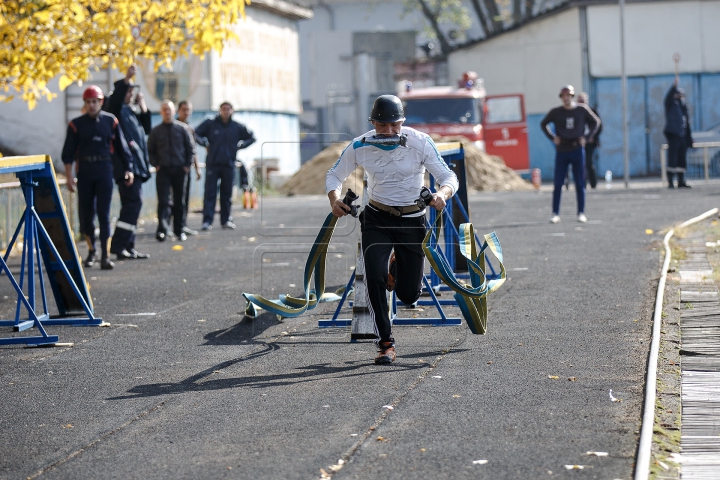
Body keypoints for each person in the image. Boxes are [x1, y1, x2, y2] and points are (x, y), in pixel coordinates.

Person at [326, 95, 459, 365]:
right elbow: (334, 174)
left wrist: (442, 194)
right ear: (373, 122)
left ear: (402, 122)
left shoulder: (420, 142)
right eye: (382, 126)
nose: (388, 131)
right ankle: (385, 343)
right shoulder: (360, 144)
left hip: (412, 220)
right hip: (377, 218)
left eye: (394, 126)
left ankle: (397, 263)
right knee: (374, 277)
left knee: (408, 295)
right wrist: (334, 199)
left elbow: (448, 177)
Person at [62, 85, 133, 270]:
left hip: (104, 170)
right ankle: (92, 250)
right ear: (84, 104)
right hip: (84, 172)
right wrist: (69, 177)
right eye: (88, 102)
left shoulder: (111, 121)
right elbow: (67, 154)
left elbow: (122, 148)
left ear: (101, 102)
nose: (92, 105)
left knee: (104, 214)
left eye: (95, 101)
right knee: (86, 215)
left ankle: (105, 255)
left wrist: (129, 169)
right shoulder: (76, 124)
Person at [106, 65, 152, 258]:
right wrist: (126, 79)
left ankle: (128, 245)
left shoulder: (130, 112)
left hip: (137, 167)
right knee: (133, 203)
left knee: (134, 205)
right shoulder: (115, 109)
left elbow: (146, 129)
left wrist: (143, 107)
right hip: (127, 168)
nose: (131, 94)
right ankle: (119, 245)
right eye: (129, 91)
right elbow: (115, 100)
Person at [540, 85, 600, 224]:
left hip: (577, 148)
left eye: (568, 95)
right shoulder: (556, 112)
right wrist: (552, 137)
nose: (566, 98)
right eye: (563, 96)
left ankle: (581, 212)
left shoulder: (581, 109)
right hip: (562, 149)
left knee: (579, 182)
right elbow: (544, 124)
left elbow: (595, 121)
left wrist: (586, 137)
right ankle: (555, 213)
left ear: (572, 97)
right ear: (561, 98)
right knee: (558, 183)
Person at [195, 102, 256, 230]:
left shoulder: (236, 127)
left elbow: (252, 137)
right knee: (210, 193)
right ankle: (207, 221)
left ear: (232, 111)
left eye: (228, 109)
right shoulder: (210, 124)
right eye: (223, 109)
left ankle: (226, 219)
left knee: (227, 194)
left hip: (229, 164)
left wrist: (241, 145)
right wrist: (204, 142)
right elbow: (195, 133)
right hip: (213, 164)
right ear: (220, 110)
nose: (226, 111)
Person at [147, 100, 197, 242]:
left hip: (180, 169)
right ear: (161, 112)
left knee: (179, 201)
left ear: (174, 111)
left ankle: (179, 230)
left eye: (169, 110)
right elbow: (150, 150)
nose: (167, 112)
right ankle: (162, 230)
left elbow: (191, 149)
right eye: (164, 110)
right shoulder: (156, 131)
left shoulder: (182, 129)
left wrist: (187, 165)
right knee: (163, 201)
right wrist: (155, 164)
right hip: (163, 170)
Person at [176, 100, 203, 235]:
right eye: (183, 109)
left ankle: (182, 224)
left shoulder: (190, 129)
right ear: (178, 110)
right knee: (171, 199)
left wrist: (197, 168)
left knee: (184, 198)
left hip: (185, 169)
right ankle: (169, 226)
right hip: (172, 169)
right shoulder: (172, 126)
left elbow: (193, 150)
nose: (186, 112)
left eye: (188, 110)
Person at [664, 80, 694, 188]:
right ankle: (670, 181)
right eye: (677, 93)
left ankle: (681, 181)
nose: (680, 95)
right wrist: (673, 86)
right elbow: (667, 98)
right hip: (673, 134)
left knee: (682, 159)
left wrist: (689, 138)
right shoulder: (670, 104)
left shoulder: (683, 107)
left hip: (682, 136)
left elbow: (687, 123)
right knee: (672, 158)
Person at [576, 92, 602, 189]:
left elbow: (599, 126)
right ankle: (582, 183)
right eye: (579, 101)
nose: (581, 103)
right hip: (579, 142)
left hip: (590, 142)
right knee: (579, 163)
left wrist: (592, 137)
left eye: (583, 101)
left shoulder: (592, 112)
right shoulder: (575, 112)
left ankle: (593, 183)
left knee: (589, 162)